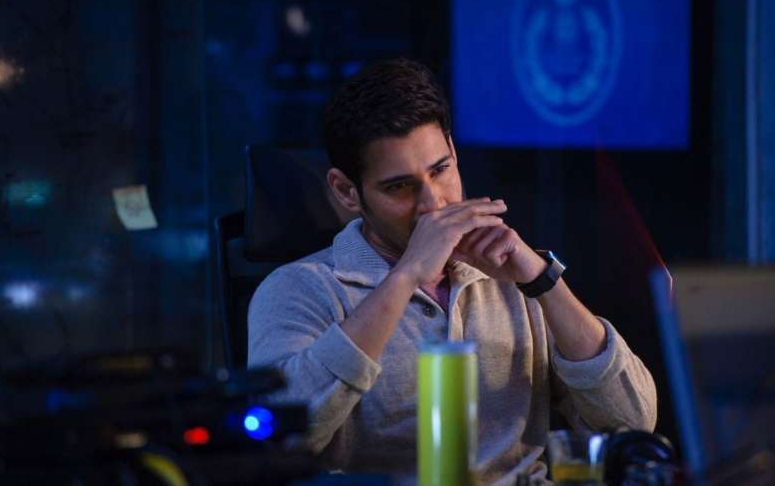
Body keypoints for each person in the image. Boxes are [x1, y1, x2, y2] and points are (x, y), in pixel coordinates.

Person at [248, 58, 656, 484]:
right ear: (347, 191)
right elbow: (278, 439)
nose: (434, 204)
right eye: (399, 187)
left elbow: (632, 423)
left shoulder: (513, 278)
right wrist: (406, 276)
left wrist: (543, 281)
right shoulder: (298, 289)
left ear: (454, 154)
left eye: (440, 170)